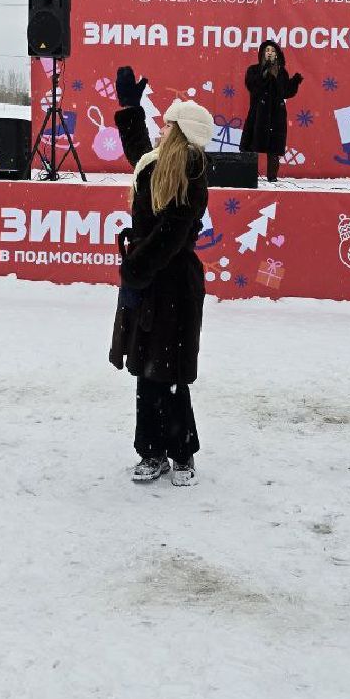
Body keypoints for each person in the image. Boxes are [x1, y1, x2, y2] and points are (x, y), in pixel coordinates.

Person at [109, 65, 214, 487]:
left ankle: (182, 453)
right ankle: (151, 451)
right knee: (146, 371)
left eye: (168, 124)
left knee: (169, 374)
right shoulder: (156, 163)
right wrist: (129, 110)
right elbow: (138, 153)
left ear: (181, 132)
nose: (162, 128)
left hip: (173, 284)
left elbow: (173, 231)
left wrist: (136, 267)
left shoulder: (192, 170)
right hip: (149, 281)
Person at [240, 40, 303, 183]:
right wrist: (264, 71)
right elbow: (253, 87)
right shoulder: (253, 70)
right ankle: (247, 176)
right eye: (267, 50)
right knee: (251, 144)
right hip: (258, 113)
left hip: (276, 114)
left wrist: (294, 82)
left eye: (273, 51)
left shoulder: (281, 71)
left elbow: (285, 92)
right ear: (262, 53)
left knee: (274, 147)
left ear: (277, 54)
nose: (270, 53)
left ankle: (272, 177)